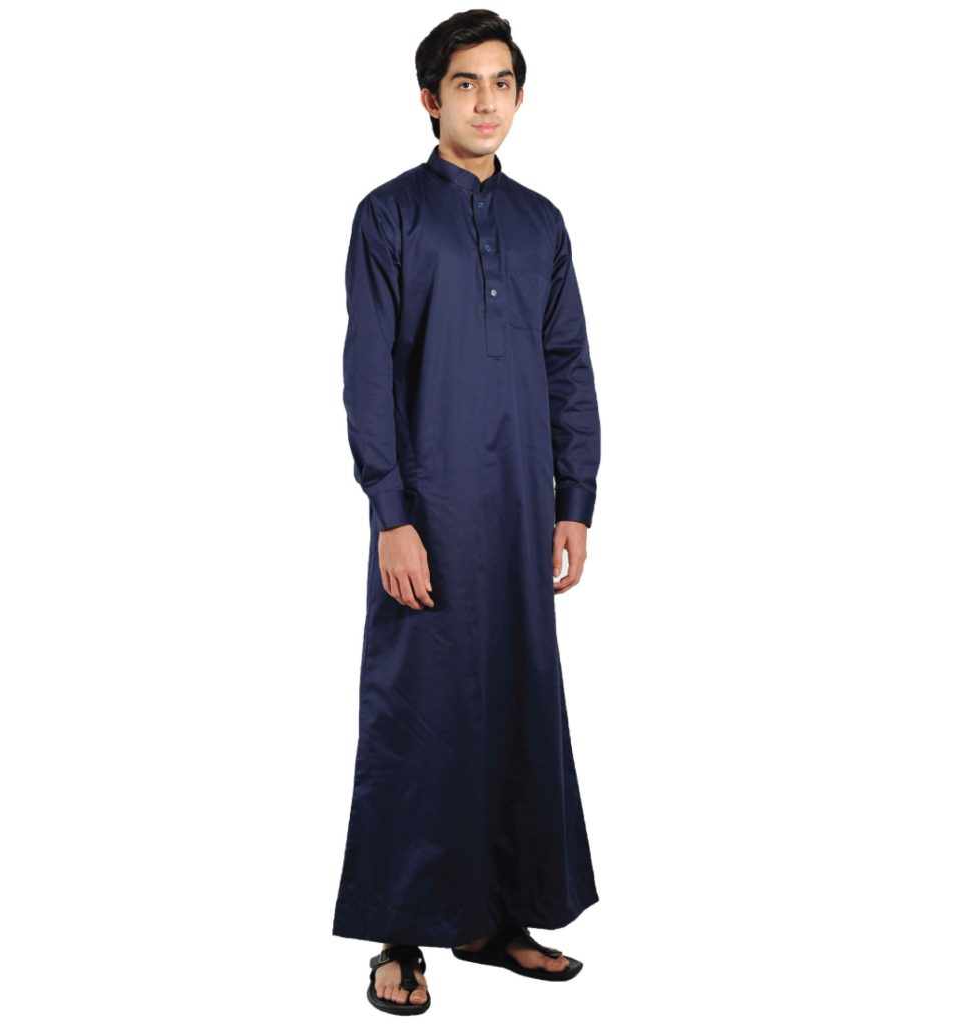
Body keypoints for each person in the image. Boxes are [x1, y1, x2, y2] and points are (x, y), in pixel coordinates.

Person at [332, 11, 602, 1013]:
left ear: (518, 97)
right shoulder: (389, 216)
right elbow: (367, 372)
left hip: (521, 502)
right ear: (428, 99)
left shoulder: (541, 223)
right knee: (420, 710)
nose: (485, 102)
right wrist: (390, 513)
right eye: (464, 83)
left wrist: (574, 499)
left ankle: (497, 916)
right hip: (431, 505)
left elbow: (567, 363)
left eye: (501, 83)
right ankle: (399, 937)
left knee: (516, 701)